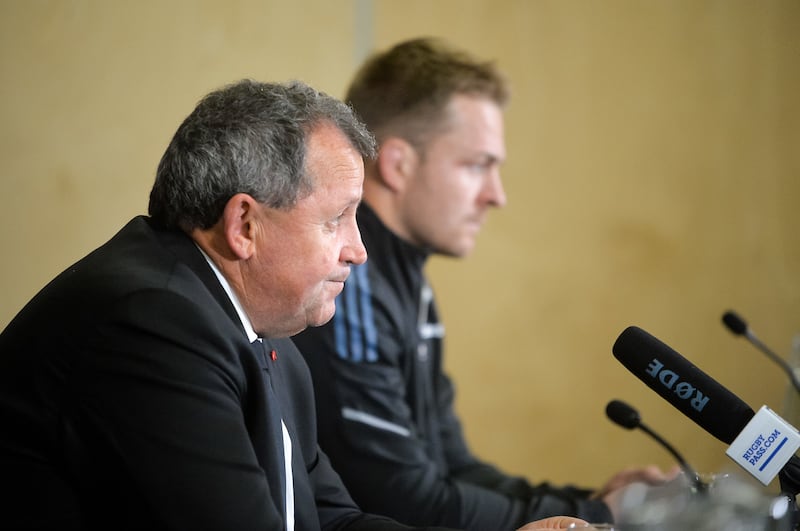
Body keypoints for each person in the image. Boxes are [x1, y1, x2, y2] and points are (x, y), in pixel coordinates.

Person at [0, 78, 595, 531]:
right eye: (337, 219)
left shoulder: (262, 331)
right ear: (244, 226)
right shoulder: (151, 322)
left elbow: (335, 521)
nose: (359, 251)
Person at [292, 38, 675, 530]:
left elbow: (453, 465)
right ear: (398, 164)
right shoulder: (352, 285)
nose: (496, 196)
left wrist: (587, 501)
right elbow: (405, 501)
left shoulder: (407, 284)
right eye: (477, 166)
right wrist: (596, 515)